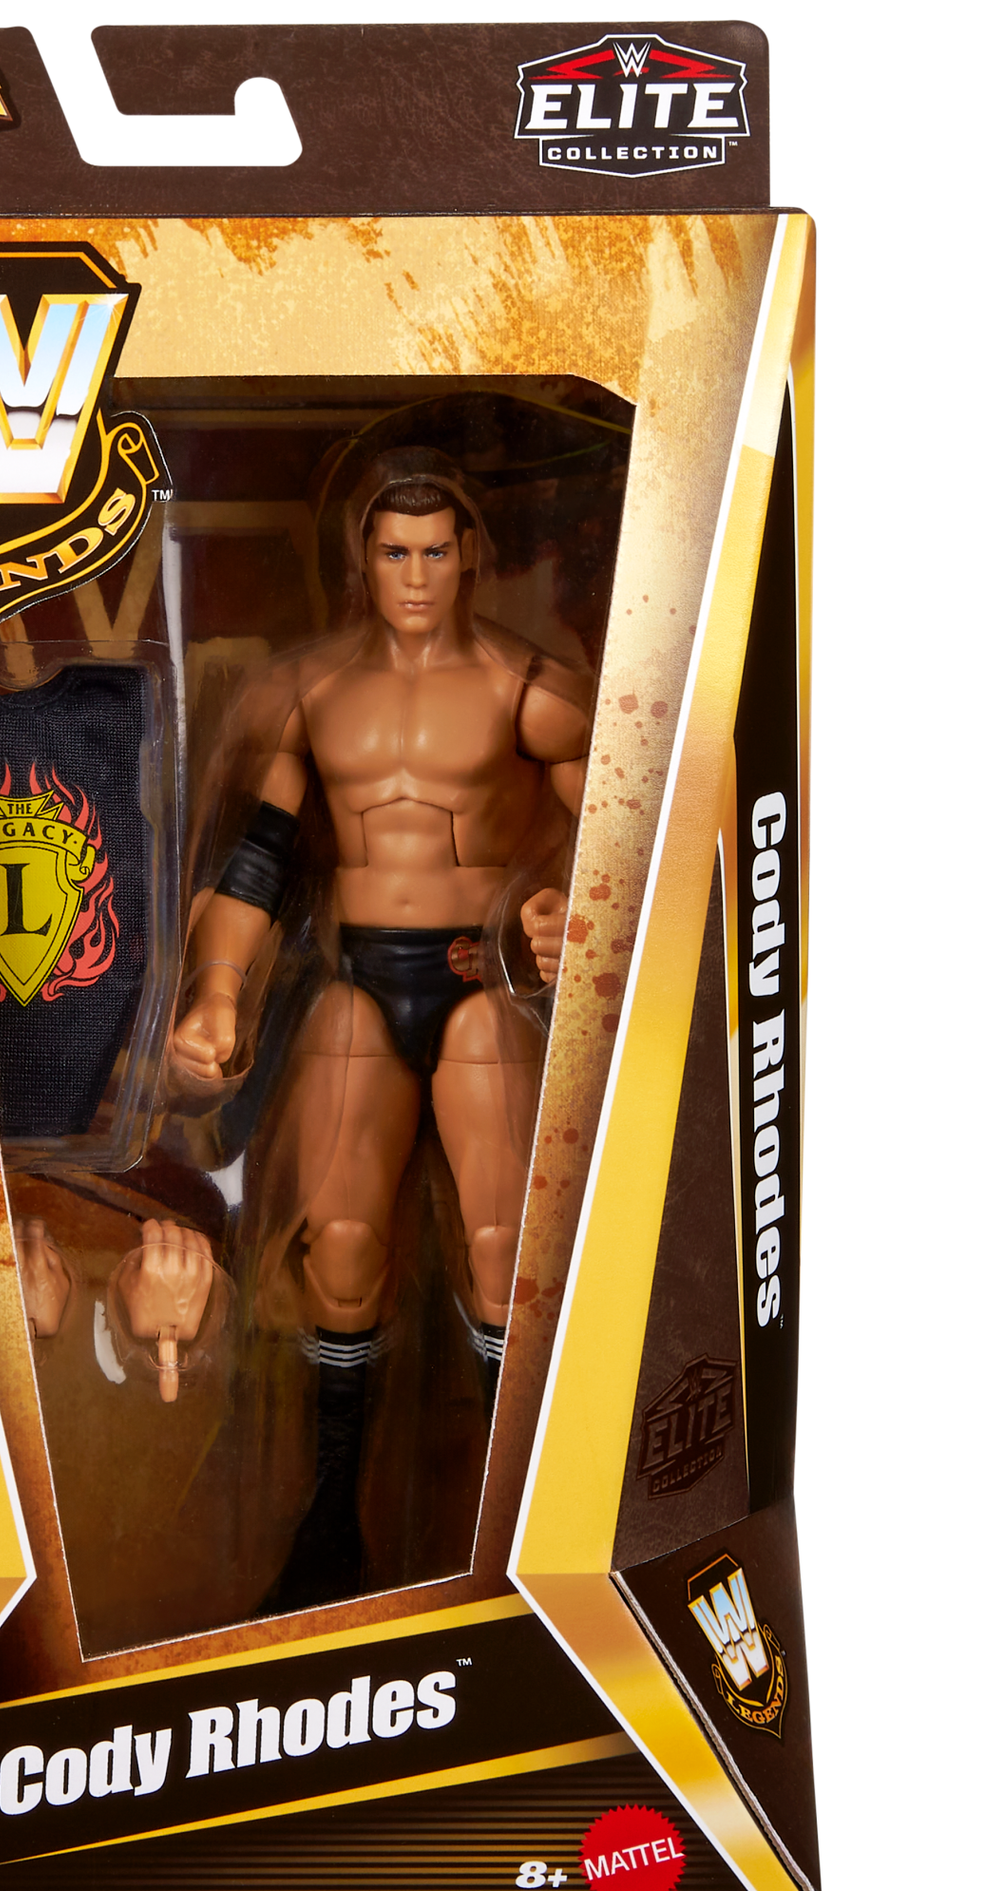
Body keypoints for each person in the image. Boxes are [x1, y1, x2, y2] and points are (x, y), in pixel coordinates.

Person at [164, 448, 590, 1606]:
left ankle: (520, 1509)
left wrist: (567, 910)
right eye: (394, 550)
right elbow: (254, 859)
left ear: (467, 554)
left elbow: (625, 825)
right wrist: (216, 990)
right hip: (354, 980)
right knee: (340, 1242)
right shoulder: (307, 690)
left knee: (503, 1247)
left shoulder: (526, 687)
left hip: (477, 987)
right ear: (361, 553)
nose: (413, 574)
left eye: (434, 551)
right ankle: (329, 1514)